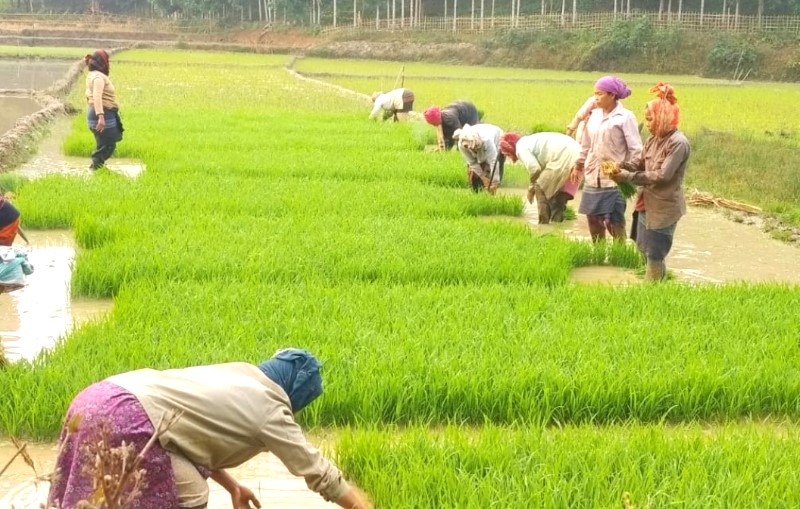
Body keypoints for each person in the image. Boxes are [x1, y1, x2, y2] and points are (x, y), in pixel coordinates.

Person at [48, 348, 373, 509]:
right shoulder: (272, 408)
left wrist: (232, 486)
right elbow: (321, 473)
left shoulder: (240, 375)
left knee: (93, 498)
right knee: (192, 496)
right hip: (128, 418)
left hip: (94, 399)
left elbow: (193, 433)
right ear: (296, 395)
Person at [609, 82, 690, 282]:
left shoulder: (678, 143)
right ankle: (656, 284)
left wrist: (627, 177)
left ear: (663, 117)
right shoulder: (653, 139)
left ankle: (651, 289)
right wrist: (620, 167)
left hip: (664, 207)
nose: (648, 123)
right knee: (643, 248)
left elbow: (662, 175)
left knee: (655, 252)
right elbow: (640, 162)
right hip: (646, 203)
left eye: (650, 118)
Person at [569, 76, 642, 243]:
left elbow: (636, 149)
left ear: (612, 95)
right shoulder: (594, 115)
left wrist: (624, 168)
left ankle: (619, 254)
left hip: (614, 179)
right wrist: (579, 164)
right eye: (594, 94)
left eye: (599, 94)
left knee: (613, 221)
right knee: (593, 220)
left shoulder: (625, 117)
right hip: (592, 177)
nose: (596, 98)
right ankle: (599, 254)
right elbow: (586, 144)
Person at [499, 132, 581, 224]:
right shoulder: (529, 140)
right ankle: (557, 225)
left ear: (510, 148)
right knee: (559, 196)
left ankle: (543, 224)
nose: (509, 157)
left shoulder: (520, 147)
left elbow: (535, 169)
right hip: (579, 156)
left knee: (540, 186)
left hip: (564, 156)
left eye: (507, 154)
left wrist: (531, 189)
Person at [84, 49, 123, 171]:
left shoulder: (92, 75)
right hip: (102, 114)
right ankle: (95, 169)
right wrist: (101, 116)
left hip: (98, 113)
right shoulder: (98, 77)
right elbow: (97, 96)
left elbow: (88, 94)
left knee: (105, 143)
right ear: (103, 62)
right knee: (108, 145)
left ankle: (96, 168)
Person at [454, 123, 504, 194]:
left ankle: (493, 192)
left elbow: (494, 161)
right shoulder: (462, 144)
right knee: (475, 175)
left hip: (497, 139)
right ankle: (476, 193)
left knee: (492, 171)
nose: (475, 150)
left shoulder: (487, 140)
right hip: (478, 143)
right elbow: (472, 163)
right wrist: (483, 178)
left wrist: (495, 182)